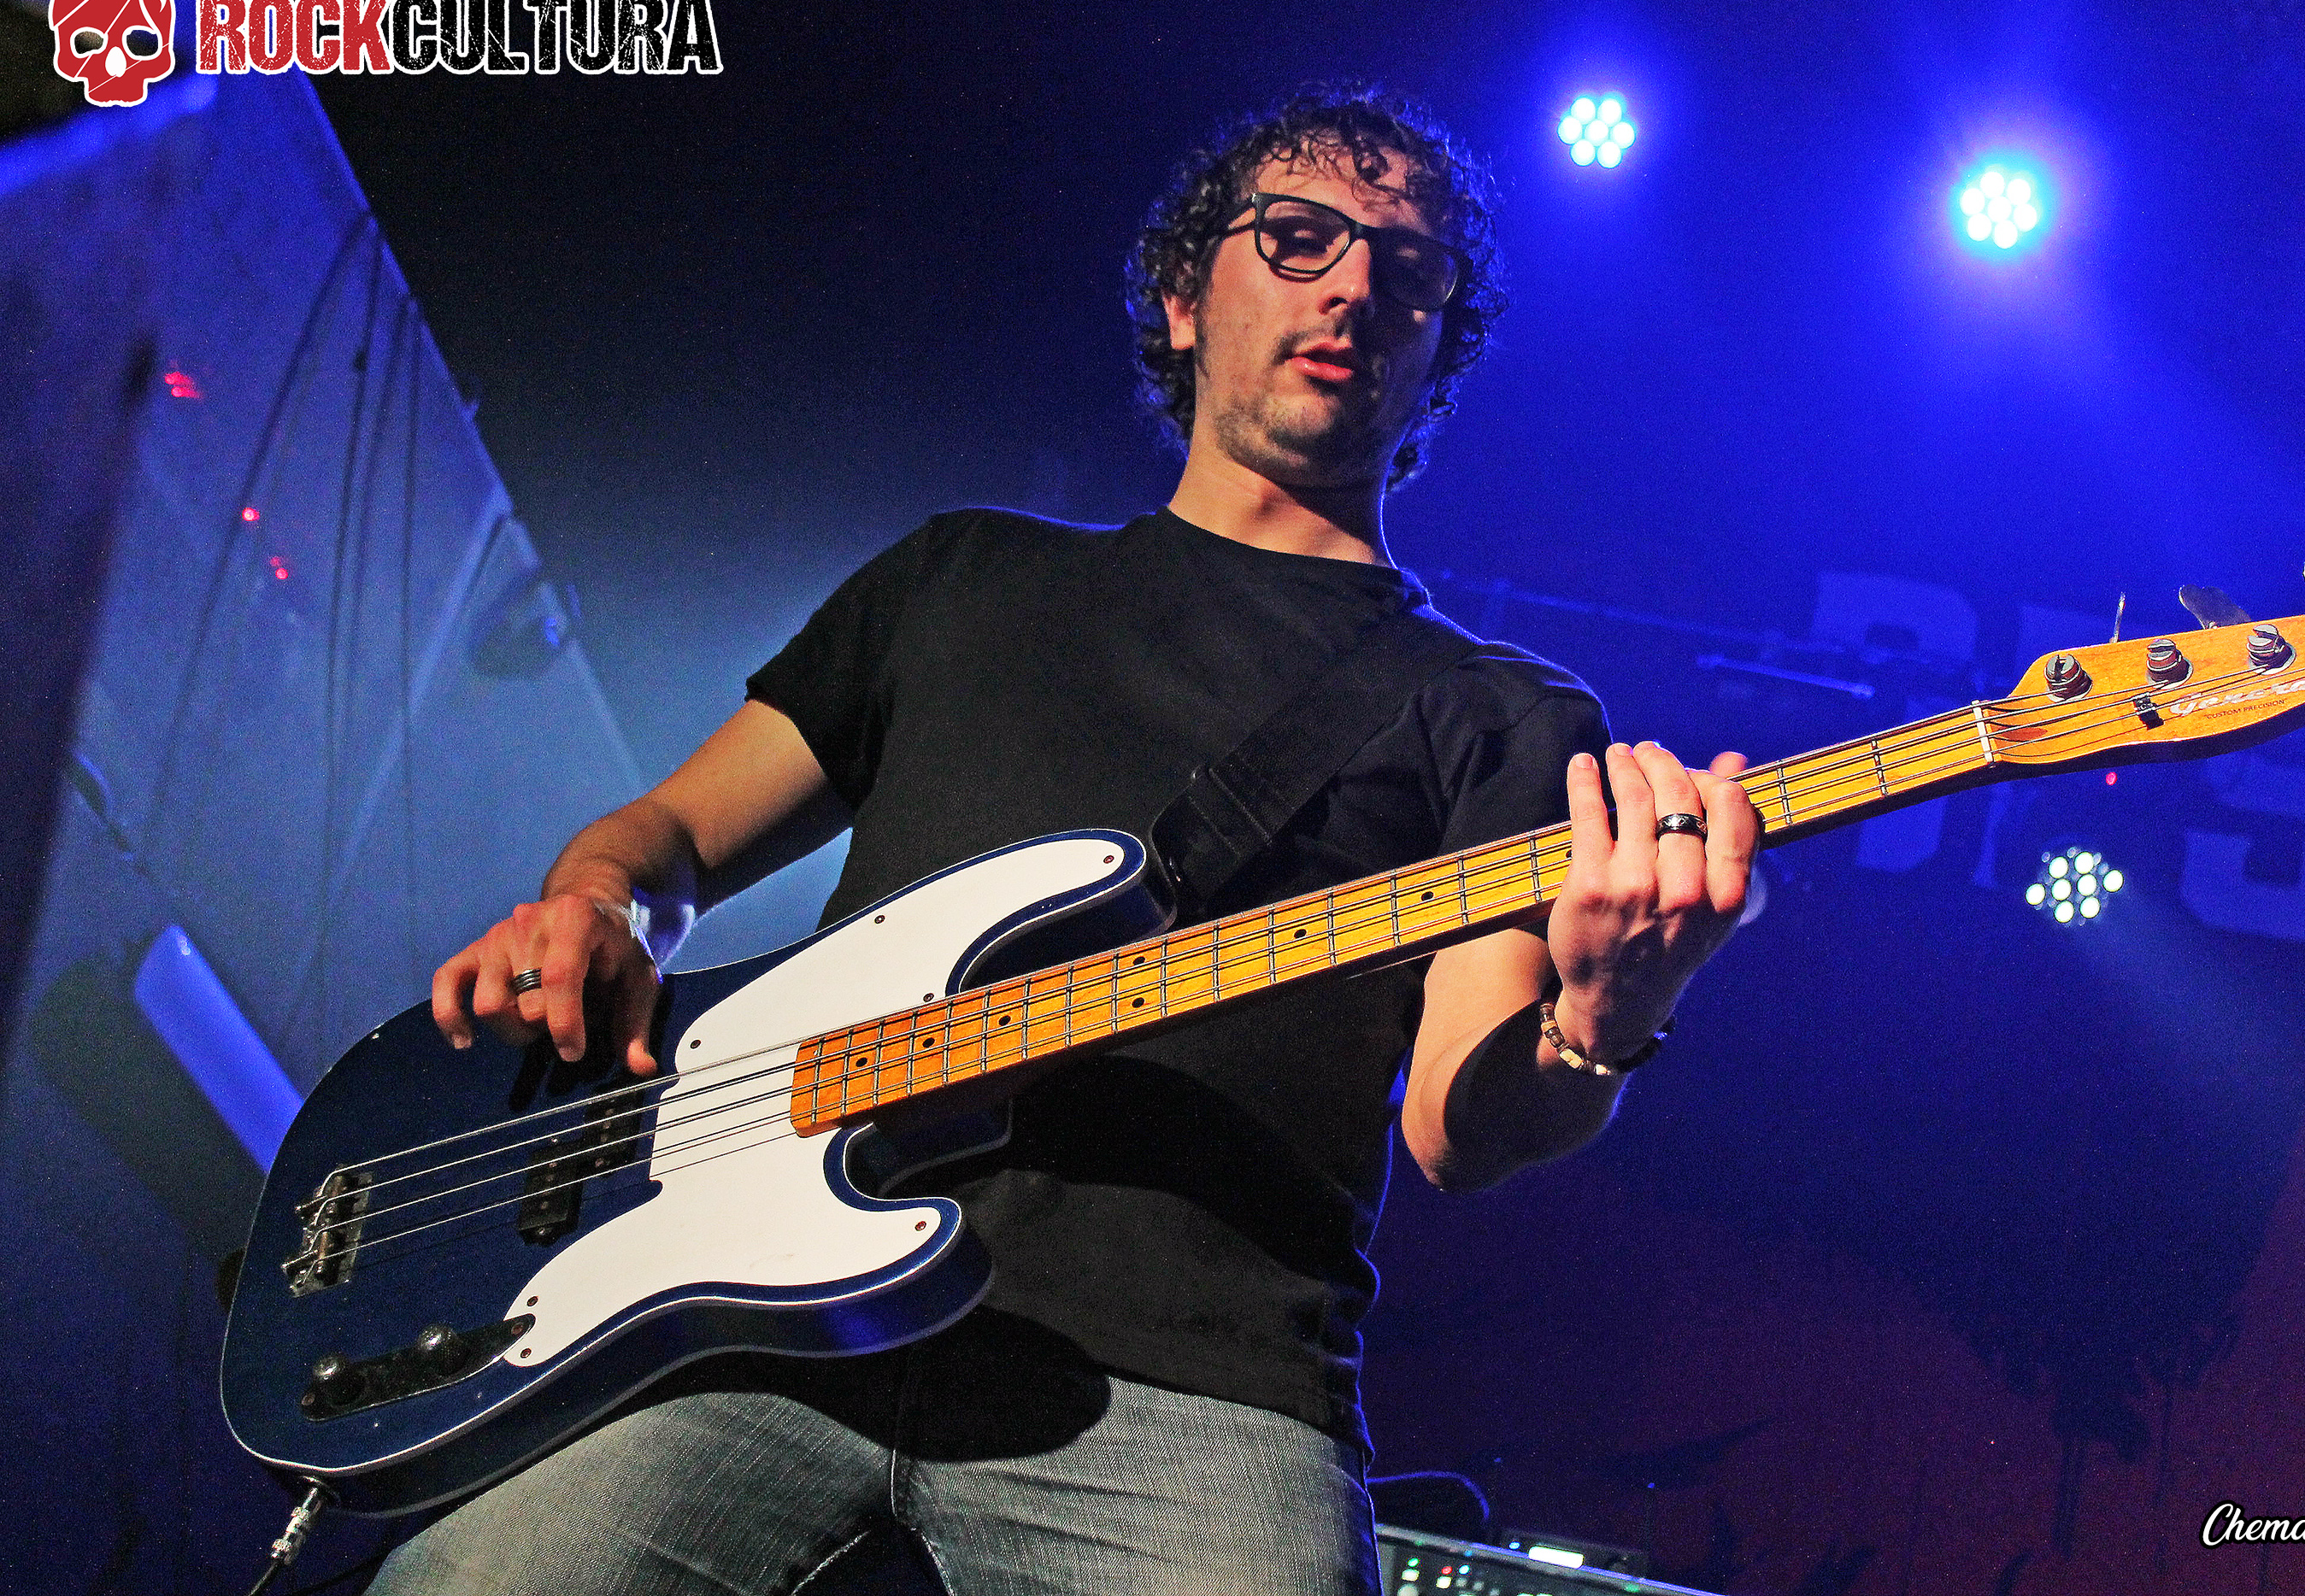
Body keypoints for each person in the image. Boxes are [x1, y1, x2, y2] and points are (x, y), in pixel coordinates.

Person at [376, 85, 1761, 1596]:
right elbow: (664, 841)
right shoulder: (962, 573)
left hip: (1193, 1388)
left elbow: (1458, 1126)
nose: (1355, 286)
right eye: (1298, 238)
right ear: (1183, 300)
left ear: (1436, 354)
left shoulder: (1498, 713)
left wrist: (1608, 1021)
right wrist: (598, 909)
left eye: (1408, 270)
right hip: (739, 1316)